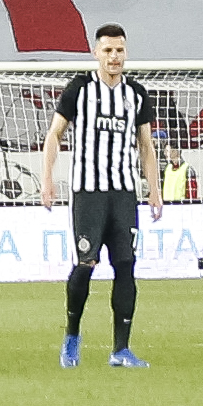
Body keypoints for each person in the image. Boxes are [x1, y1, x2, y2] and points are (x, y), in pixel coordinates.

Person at [38, 18, 167, 371]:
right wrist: (47, 179)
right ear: (96, 53)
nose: (114, 57)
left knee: (126, 267)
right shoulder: (79, 89)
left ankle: (120, 349)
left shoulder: (136, 94)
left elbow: (146, 146)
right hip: (89, 194)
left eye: (120, 50)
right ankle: (72, 336)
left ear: (126, 53)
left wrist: (154, 191)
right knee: (86, 265)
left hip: (124, 194)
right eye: (108, 50)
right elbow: (54, 135)